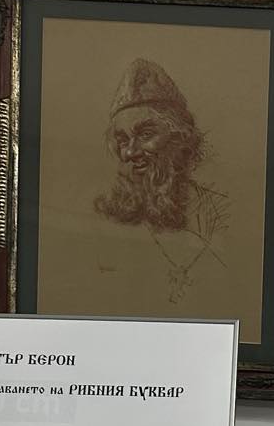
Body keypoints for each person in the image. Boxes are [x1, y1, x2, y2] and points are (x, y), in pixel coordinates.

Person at [94, 58, 229, 299]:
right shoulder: (107, 226)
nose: (129, 152)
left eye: (145, 134)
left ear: (181, 137)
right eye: (122, 140)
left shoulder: (218, 212)